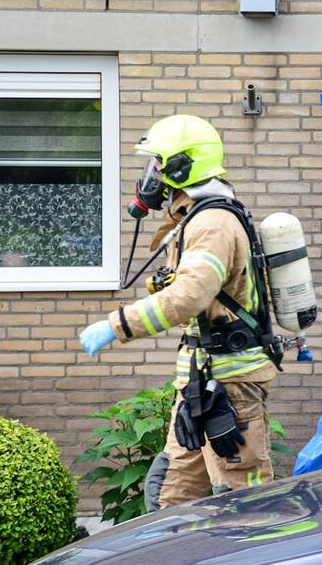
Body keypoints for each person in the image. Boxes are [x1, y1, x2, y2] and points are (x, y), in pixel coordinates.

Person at [77, 114, 277, 508]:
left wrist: (116, 325)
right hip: (201, 385)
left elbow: (190, 296)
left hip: (230, 387)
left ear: (182, 166)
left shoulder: (214, 223)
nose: (151, 175)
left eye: (158, 163)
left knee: (243, 505)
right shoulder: (195, 219)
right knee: (171, 494)